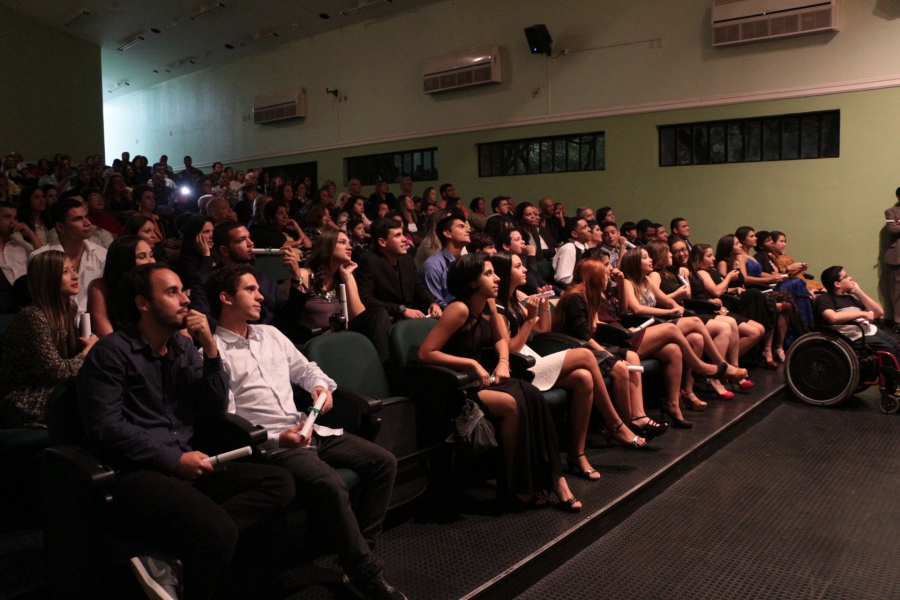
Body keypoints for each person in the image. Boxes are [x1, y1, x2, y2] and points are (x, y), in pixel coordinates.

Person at [78, 263, 295, 600]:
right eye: (172, 292)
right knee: (217, 530)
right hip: (138, 471)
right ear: (143, 303)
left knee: (278, 482)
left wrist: (210, 350)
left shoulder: (182, 349)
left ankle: (174, 559)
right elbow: (105, 427)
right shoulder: (112, 353)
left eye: (183, 290)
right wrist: (172, 459)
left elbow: (212, 407)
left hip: (188, 457)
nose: (185, 300)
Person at [206, 265, 406, 600]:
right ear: (226, 298)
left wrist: (318, 387)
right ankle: (365, 573)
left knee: (383, 461)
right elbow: (226, 420)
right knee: (329, 481)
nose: (260, 296)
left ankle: (359, 556)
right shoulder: (214, 350)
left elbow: (307, 369)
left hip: (308, 427)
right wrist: (277, 439)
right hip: (274, 446)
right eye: (250, 290)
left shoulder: (269, 334)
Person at [418, 253, 582, 510]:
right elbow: (426, 353)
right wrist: (471, 364)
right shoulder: (458, 309)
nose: (497, 278)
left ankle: (555, 479)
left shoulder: (489, 304)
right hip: (458, 386)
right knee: (511, 402)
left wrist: (504, 361)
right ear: (472, 282)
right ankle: (513, 487)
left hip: (483, 378)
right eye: (488, 274)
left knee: (532, 395)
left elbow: (500, 340)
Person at [492, 252, 651, 479]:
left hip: (531, 358)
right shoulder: (497, 306)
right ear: (506, 273)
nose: (525, 269)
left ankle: (577, 454)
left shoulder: (517, 296)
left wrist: (544, 306)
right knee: (586, 356)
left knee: (584, 378)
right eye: (518, 266)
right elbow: (510, 349)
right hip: (519, 365)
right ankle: (616, 425)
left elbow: (543, 328)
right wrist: (529, 320)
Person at [557, 256, 743, 429]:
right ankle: (702, 367)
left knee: (673, 350)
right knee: (673, 329)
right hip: (616, 338)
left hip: (624, 331)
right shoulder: (582, 294)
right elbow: (593, 327)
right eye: (605, 271)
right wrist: (618, 334)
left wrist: (620, 285)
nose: (610, 273)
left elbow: (621, 312)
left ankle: (673, 405)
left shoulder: (602, 292)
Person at [646, 241, 755, 400]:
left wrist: (684, 281)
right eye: (670, 252)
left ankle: (690, 390)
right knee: (723, 328)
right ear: (661, 256)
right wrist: (677, 294)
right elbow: (655, 301)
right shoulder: (655, 275)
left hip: (680, 314)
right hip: (669, 318)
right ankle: (720, 369)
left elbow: (686, 296)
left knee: (706, 334)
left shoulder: (671, 273)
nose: (672, 255)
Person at [0, 251, 97, 427]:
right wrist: (86, 353)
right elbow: (56, 371)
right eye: (65, 272)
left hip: (52, 389)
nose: (75, 276)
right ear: (48, 278)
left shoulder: (69, 308)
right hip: (25, 398)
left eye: (73, 269)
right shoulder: (33, 316)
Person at [189, 222, 307, 339]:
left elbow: (290, 317)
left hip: (270, 341)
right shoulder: (206, 279)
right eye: (241, 240)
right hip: (233, 344)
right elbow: (204, 321)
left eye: (249, 237)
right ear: (224, 250)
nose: (251, 243)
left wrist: (297, 278)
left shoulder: (262, 277)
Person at [296, 229, 392, 363]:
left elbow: (359, 316)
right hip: (315, 342)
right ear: (327, 246)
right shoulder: (304, 275)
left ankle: (386, 368)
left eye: (349, 243)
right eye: (342, 242)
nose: (349, 247)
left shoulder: (343, 276)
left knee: (378, 313)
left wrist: (347, 277)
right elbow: (292, 318)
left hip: (342, 337)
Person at [731, 227, 807, 361]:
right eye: (752, 236)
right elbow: (745, 278)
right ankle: (800, 333)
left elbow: (759, 273)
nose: (755, 238)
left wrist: (779, 275)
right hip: (754, 291)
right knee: (785, 295)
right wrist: (770, 279)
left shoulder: (750, 256)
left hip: (762, 287)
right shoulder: (741, 256)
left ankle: (780, 344)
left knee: (787, 294)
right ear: (743, 240)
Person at [714, 235, 783, 368]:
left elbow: (742, 284)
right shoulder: (723, 263)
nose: (740, 246)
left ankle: (767, 348)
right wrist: (733, 284)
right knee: (757, 296)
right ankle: (766, 350)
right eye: (736, 244)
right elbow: (722, 286)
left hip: (741, 297)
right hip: (730, 300)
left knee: (761, 300)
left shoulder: (736, 262)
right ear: (728, 247)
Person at [30, 198, 107, 315]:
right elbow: (41, 302)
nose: (87, 223)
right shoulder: (40, 258)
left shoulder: (102, 255)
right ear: (61, 227)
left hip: (93, 323)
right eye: (77, 219)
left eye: (86, 216)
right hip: (55, 323)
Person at [356, 218, 441, 321]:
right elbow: (366, 299)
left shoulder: (407, 259)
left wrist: (432, 302)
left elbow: (418, 288)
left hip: (411, 315)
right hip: (387, 319)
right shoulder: (369, 262)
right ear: (382, 242)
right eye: (397, 235)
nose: (404, 239)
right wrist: (401, 310)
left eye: (402, 234)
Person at [816, 266, 900, 361]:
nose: (850, 278)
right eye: (846, 276)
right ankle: (890, 374)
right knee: (888, 349)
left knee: (895, 345)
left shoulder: (850, 298)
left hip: (868, 330)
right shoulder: (824, 298)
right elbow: (832, 317)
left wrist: (858, 292)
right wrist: (862, 314)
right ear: (837, 284)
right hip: (852, 336)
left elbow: (878, 312)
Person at [87, 235, 156, 337]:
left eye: (151, 255)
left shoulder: (153, 284)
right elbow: (107, 336)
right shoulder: (100, 287)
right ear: (124, 261)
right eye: (142, 257)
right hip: (119, 348)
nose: (151, 261)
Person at [420, 215, 469, 309]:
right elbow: (435, 302)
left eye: (466, 227)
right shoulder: (433, 265)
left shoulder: (466, 263)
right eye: (461, 226)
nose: (468, 230)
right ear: (447, 233)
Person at [496, 227, 559, 296]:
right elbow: (532, 286)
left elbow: (540, 280)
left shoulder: (524, 257)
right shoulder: (505, 263)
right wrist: (531, 255)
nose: (523, 241)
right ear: (506, 246)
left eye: (522, 238)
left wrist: (561, 292)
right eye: (517, 239)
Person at [0, 200, 42, 286]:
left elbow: (45, 260)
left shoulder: (21, 244)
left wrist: (31, 234)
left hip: (26, 294)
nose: (12, 222)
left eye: (15, 218)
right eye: (7, 216)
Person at [173, 216, 215, 291]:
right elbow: (198, 284)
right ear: (193, 235)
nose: (212, 236)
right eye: (206, 232)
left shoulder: (218, 252)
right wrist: (206, 255)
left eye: (213, 231)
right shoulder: (185, 261)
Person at [551, 217, 591, 287]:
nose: (589, 229)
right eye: (585, 227)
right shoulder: (569, 248)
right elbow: (563, 278)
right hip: (569, 291)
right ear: (574, 234)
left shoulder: (585, 246)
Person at [884, 188, 900, 330]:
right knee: (896, 290)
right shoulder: (890, 211)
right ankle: (897, 321)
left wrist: (899, 223)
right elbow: (892, 230)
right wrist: (896, 225)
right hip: (897, 257)